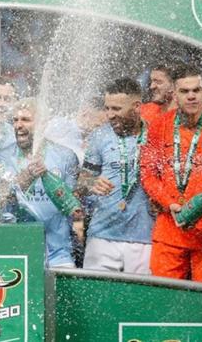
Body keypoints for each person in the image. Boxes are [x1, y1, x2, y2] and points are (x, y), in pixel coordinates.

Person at [141, 64, 202, 286]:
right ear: (174, 95)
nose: (191, 96)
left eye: (196, 90)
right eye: (185, 91)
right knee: (162, 300)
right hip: (170, 230)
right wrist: (169, 204)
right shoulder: (159, 125)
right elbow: (148, 174)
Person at [77, 78, 153, 274]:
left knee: (141, 300)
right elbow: (82, 182)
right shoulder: (99, 136)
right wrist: (91, 182)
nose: (110, 115)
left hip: (145, 236)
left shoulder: (156, 134)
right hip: (102, 235)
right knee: (97, 298)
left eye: (117, 109)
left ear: (137, 107)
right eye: (107, 108)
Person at [0, 98, 79, 268]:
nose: (18, 125)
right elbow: (1, 200)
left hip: (57, 252)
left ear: (42, 123)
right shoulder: (4, 156)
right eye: (15, 120)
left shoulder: (65, 156)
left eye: (26, 120)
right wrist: (27, 176)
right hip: (16, 251)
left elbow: (72, 204)